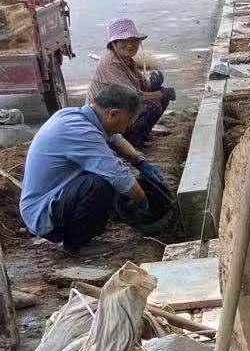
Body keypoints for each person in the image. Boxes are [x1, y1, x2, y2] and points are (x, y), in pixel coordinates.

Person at [19, 84, 161, 256]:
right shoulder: (81, 132)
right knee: (99, 183)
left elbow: (115, 137)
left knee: (106, 180)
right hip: (44, 216)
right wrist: (144, 203)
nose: (126, 128)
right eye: (128, 121)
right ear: (113, 113)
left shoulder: (74, 115)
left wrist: (139, 160)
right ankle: (76, 244)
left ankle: (91, 224)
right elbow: (118, 175)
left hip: (54, 200)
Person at [88, 18, 175, 146]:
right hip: (104, 116)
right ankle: (132, 141)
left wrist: (153, 83)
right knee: (153, 104)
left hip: (118, 106)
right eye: (124, 41)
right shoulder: (111, 63)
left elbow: (142, 84)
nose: (130, 45)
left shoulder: (126, 60)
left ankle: (142, 135)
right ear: (114, 43)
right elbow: (134, 96)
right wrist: (161, 93)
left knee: (160, 95)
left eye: (134, 41)